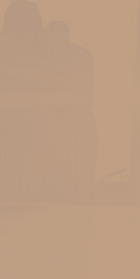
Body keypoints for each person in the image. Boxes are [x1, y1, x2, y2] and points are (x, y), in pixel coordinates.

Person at [0, 0, 50, 200]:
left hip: (5, 114)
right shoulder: (42, 46)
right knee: (22, 166)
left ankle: (3, 201)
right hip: (24, 114)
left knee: (3, 165)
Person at [42, 20, 97, 201]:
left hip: (60, 121)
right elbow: (87, 91)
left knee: (63, 172)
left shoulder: (44, 58)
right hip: (76, 119)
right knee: (78, 171)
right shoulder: (81, 55)